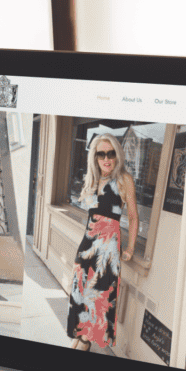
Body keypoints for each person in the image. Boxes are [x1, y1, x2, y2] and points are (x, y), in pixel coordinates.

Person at [67, 134, 138, 351]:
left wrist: (130, 248)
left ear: (117, 155)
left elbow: (134, 217)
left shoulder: (124, 180)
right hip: (86, 248)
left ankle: (82, 347)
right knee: (81, 305)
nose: (106, 159)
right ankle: (78, 341)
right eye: (101, 154)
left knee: (97, 303)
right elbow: (92, 219)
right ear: (94, 157)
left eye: (111, 154)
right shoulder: (92, 179)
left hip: (107, 254)